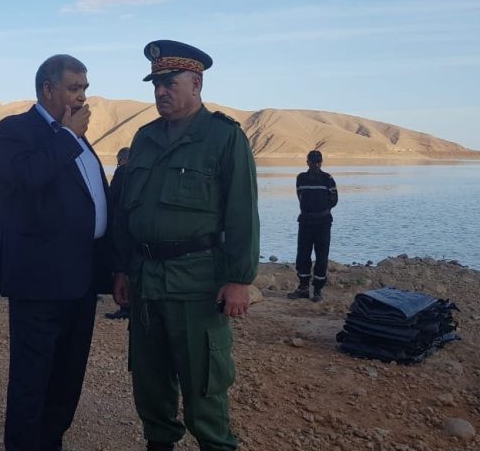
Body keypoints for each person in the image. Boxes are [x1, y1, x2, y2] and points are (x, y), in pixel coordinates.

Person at [112, 40, 259, 451]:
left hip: (196, 284)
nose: (160, 91)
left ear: (196, 83)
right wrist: (121, 268)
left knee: (204, 388)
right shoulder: (144, 138)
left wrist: (240, 279)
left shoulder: (224, 137)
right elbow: (125, 210)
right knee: (151, 385)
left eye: (169, 83)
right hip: (145, 282)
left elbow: (243, 212)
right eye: (155, 84)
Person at [0, 54, 112, 451]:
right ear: (48, 89)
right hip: (39, 284)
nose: (82, 97)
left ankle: (51, 442)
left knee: (67, 378)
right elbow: (26, 179)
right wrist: (68, 136)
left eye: (85, 88)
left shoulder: (75, 137)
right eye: (74, 88)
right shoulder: (15, 130)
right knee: (32, 380)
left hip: (81, 280)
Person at [287, 150, 338, 303]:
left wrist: (320, 210)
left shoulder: (328, 179)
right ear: (307, 162)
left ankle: (317, 290)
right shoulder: (301, 178)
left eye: (317, 162)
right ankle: (303, 288)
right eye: (313, 162)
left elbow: (334, 200)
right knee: (303, 255)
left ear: (320, 163)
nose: (315, 165)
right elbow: (300, 197)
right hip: (306, 222)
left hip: (323, 223)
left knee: (321, 256)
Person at [104, 147, 131, 320]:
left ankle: (124, 305)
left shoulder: (122, 172)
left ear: (121, 160)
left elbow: (111, 197)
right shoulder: (139, 172)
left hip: (119, 225)